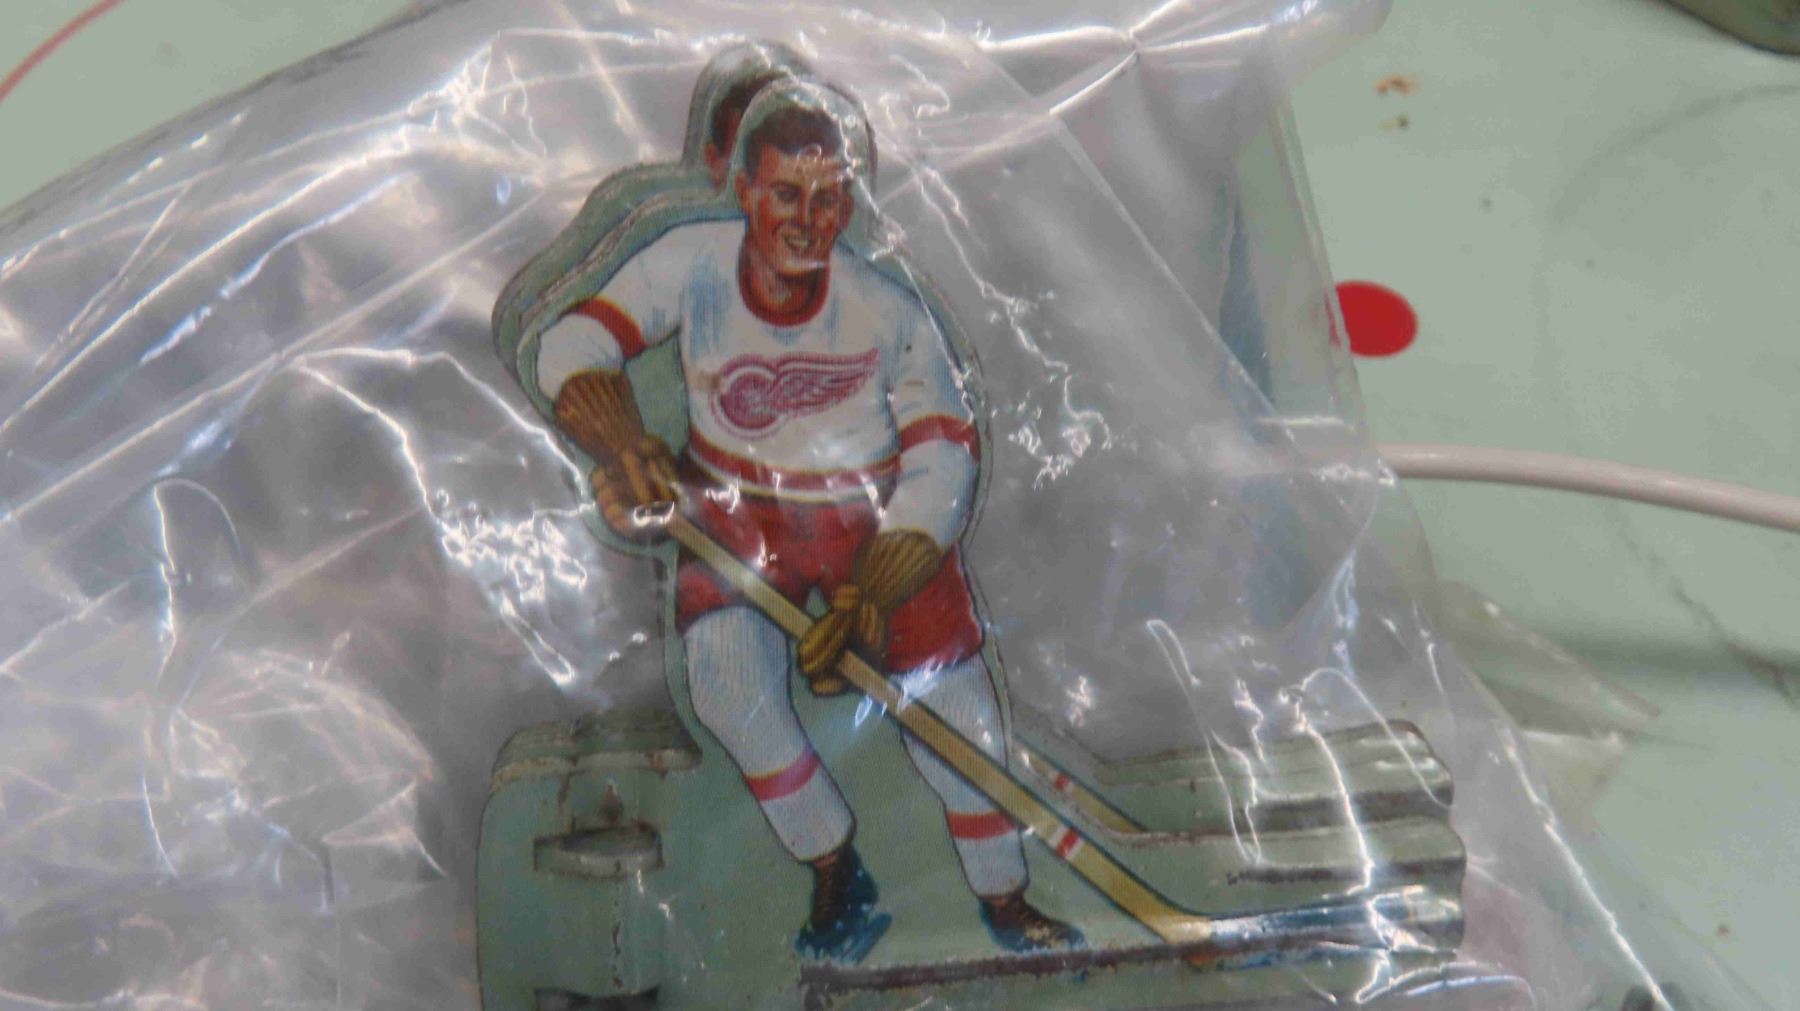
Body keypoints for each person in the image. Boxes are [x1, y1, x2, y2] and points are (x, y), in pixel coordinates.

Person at [532, 81, 1081, 963]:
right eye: (786, 194)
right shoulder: (692, 261)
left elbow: (944, 453)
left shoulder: (886, 309)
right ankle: (832, 864)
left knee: (958, 718)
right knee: (725, 682)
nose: (806, 220)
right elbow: (572, 341)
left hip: (874, 522)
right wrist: (623, 441)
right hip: (734, 506)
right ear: (745, 190)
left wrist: (875, 591)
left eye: (826, 199)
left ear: (848, 204)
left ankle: (1005, 899)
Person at [493, 41, 811, 382]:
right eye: (747, 159)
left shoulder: (840, 264)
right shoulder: (677, 246)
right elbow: (566, 343)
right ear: (713, 160)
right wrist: (599, 403)